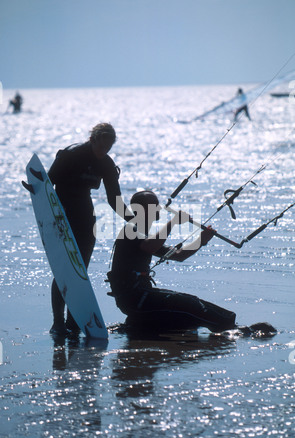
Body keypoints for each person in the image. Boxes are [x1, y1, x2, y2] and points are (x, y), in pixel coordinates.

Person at [107, 190, 237, 333]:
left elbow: (179, 255)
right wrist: (173, 222)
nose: (159, 208)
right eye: (154, 205)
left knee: (191, 299)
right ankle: (227, 327)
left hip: (142, 296)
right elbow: (149, 246)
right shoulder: (131, 229)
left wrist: (201, 240)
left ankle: (230, 321)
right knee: (189, 304)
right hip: (135, 299)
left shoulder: (145, 235)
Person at [48, 123, 133, 335]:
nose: (103, 151)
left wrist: (134, 219)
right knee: (64, 269)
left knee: (79, 270)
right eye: (101, 146)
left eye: (108, 147)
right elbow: (47, 185)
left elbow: (114, 199)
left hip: (85, 216)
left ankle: (73, 320)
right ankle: (57, 322)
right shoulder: (71, 154)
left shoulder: (106, 163)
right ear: (93, 139)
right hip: (62, 214)